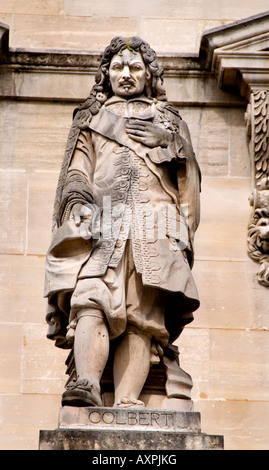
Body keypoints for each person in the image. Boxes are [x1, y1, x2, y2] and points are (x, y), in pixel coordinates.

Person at [44, 36, 201, 409]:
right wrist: (78, 202)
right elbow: (77, 171)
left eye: (134, 67)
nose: (126, 74)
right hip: (104, 221)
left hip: (154, 224)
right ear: (106, 74)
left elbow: (189, 179)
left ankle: (128, 398)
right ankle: (86, 383)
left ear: (150, 74)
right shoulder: (92, 117)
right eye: (117, 67)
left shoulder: (168, 120)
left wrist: (172, 144)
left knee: (142, 315)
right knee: (88, 298)